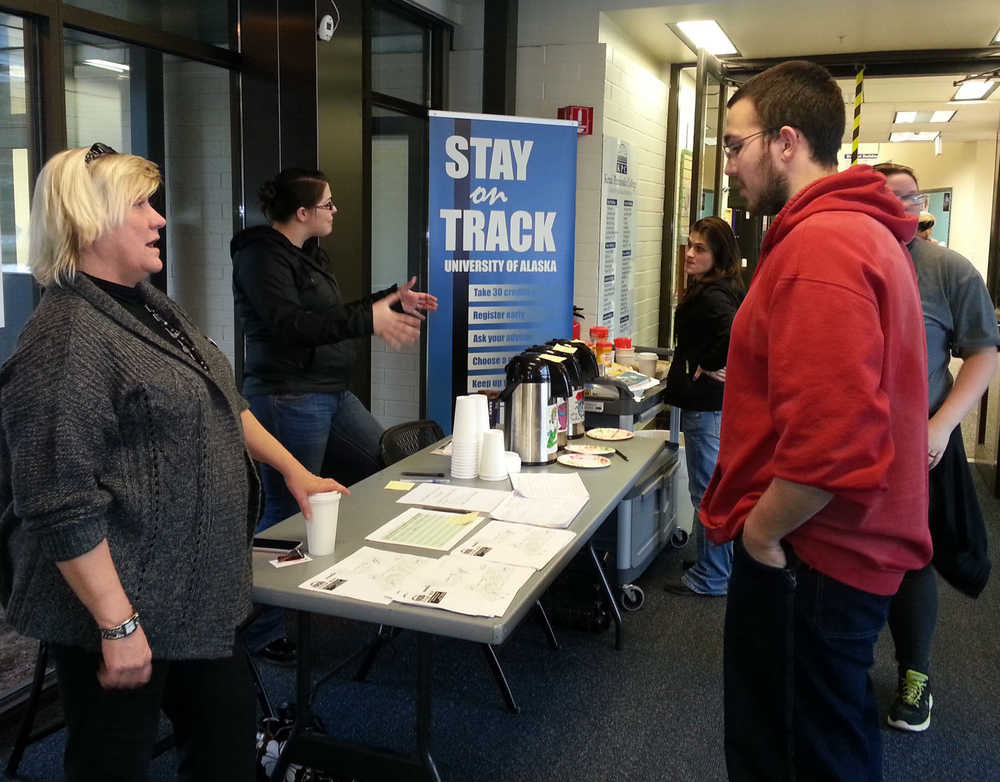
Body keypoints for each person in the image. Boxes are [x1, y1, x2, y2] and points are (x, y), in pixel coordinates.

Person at [0, 144, 345, 780]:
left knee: (226, 751)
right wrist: (117, 622)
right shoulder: (67, 340)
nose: (160, 219)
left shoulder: (151, 306)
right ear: (88, 218)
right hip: (122, 601)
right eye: (141, 204)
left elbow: (224, 401)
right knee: (113, 763)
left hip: (194, 593)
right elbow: (56, 499)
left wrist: (294, 471)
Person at [700, 61, 932, 782]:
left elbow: (834, 443)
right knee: (826, 739)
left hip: (811, 553)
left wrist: (763, 535)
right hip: (834, 551)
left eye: (736, 146)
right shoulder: (852, 233)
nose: (731, 165)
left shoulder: (821, 246)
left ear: (786, 141)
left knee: (795, 752)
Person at [231, 168, 436, 661]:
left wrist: (385, 301)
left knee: (386, 468)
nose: (334, 210)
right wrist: (369, 317)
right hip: (288, 397)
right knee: (284, 512)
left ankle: (355, 581)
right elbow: (292, 326)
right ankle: (259, 635)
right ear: (301, 213)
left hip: (329, 392)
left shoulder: (305, 255)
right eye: (327, 204)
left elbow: (328, 315)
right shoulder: (260, 255)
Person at [873, 161, 998, 732]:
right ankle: (842, 665)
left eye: (910, 196)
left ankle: (915, 674)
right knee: (839, 559)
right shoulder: (849, 260)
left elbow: (983, 353)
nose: (900, 205)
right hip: (848, 448)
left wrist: (944, 426)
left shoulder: (949, 270)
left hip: (919, 447)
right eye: (886, 195)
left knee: (911, 559)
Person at [662, 216, 745, 597]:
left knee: (706, 492)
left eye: (700, 249)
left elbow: (735, 332)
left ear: (719, 255)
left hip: (708, 409)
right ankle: (713, 563)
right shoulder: (716, 287)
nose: (690, 254)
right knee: (710, 487)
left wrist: (710, 364)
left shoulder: (713, 295)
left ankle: (712, 576)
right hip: (713, 407)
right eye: (690, 245)